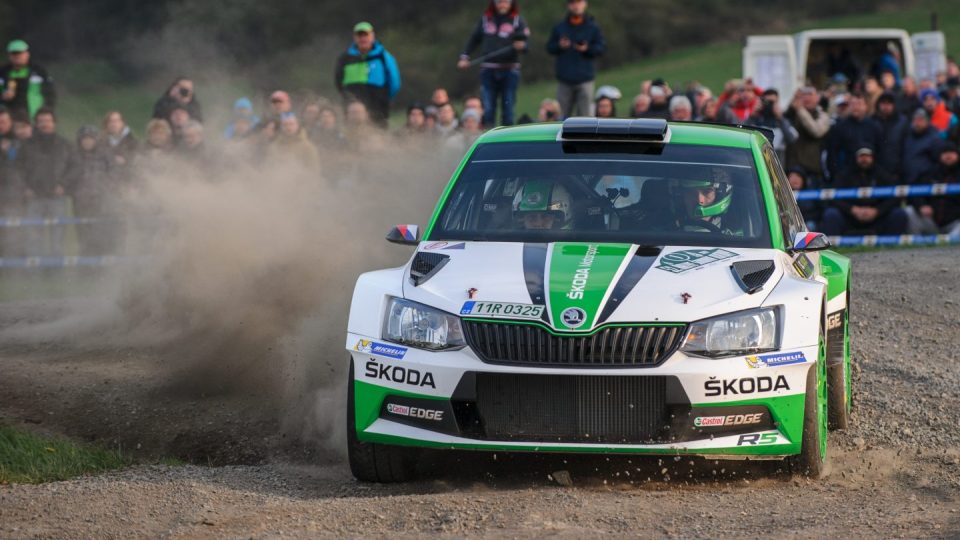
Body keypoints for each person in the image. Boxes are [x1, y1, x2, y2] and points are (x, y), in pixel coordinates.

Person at [458, 0, 530, 127]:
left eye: (505, 1)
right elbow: (474, 39)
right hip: (488, 69)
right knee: (488, 107)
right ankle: (487, 136)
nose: (502, 4)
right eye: (499, 1)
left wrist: (521, 46)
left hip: (510, 70)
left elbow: (526, 45)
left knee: (508, 108)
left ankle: (507, 139)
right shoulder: (486, 19)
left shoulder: (518, 20)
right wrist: (464, 57)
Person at [16, 107, 73, 256]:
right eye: (41, 121)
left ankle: (56, 271)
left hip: (57, 198)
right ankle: (36, 271)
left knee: (58, 237)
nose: (44, 124)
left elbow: (75, 167)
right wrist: (25, 188)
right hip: (34, 198)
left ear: (54, 123)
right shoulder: (26, 145)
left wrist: (64, 185)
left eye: (48, 120)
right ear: (36, 124)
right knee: (34, 237)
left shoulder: (65, 144)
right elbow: (18, 169)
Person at [820, 147, 907, 236]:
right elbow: (833, 197)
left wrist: (877, 210)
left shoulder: (882, 174)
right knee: (831, 214)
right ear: (856, 158)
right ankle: (833, 246)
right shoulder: (845, 175)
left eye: (867, 156)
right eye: (861, 156)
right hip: (851, 217)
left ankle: (892, 245)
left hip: (877, 217)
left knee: (898, 214)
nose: (864, 159)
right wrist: (852, 209)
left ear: (873, 157)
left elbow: (895, 196)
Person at [334, 21, 401, 129]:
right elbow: (338, 81)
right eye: (359, 35)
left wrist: (383, 98)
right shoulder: (345, 58)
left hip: (378, 108)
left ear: (372, 36)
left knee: (378, 137)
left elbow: (395, 83)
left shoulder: (383, 57)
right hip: (352, 108)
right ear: (355, 38)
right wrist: (349, 99)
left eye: (366, 35)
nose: (363, 38)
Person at [546, 0, 605, 118]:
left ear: (585, 4)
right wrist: (560, 46)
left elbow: (601, 48)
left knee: (586, 119)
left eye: (579, 2)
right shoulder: (560, 27)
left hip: (585, 80)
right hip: (564, 81)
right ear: (569, 5)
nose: (576, 6)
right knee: (561, 118)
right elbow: (549, 47)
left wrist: (587, 48)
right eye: (573, 3)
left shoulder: (593, 27)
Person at [71, 125, 114, 255]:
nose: (87, 141)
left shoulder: (105, 154)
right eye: (84, 139)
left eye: (90, 138)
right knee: (83, 233)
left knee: (100, 231)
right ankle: (86, 263)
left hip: (100, 199)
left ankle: (101, 260)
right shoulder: (74, 156)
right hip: (80, 201)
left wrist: (107, 187)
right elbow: (68, 175)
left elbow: (113, 172)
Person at [826, 93, 882, 179]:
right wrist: (837, 174)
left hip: (871, 175)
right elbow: (833, 153)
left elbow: (880, 150)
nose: (856, 107)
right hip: (847, 177)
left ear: (866, 106)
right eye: (853, 104)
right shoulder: (840, 127)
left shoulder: (874, 126)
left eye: (859, 104)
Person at [785, 86, 831, 184]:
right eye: (804, 95)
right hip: (791, 169)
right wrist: (793, 102)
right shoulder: (792, 113)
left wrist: (801, 110)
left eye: (810, 94)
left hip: (812, 171)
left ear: (817, 98)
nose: (807, 98)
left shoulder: (822, 115)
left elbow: (816, 131)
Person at [674, 170, 741, 235]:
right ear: (681, 196)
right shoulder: (664, 235)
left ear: (720, 196)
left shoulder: (739, 239)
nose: (700, 200)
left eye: (707, 191)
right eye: (691, 192)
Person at [0, 40, 55, 119]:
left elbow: (50, 94)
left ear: (27, 54)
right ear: (9, 55)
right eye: (14, 53)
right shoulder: (2, 73)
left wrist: (47, 112)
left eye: (20, 53)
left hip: (34, 117)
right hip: (7, 120)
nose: (17, 56)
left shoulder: (39, 72)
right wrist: (2, 97)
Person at [748, 89, 798, 163]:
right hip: (757, 161)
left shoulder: (783, 120)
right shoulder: (755, 119)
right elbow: (741, 133)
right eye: (767, 102)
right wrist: (751, 117)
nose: (769, 105)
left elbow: (792, 139)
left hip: (777, 164)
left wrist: (780, 118)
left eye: (773, 103)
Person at [902, 109, 942, 183]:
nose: (917, 123)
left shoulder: (934, 138)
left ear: (927, 122)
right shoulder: (907, 137)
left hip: (926, 182)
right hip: (908, 180)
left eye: (920, 120)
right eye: (915, 120)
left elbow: (938, 161)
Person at [873, 92, 908, 177]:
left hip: (898, 170)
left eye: (889, 103)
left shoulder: (903, 122)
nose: (886, 106)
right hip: (877, 170)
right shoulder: (872, 122)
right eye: (883, 103)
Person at [101, 111, 138, 181]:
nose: (113, 124)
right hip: (105, 183)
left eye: (116, 121)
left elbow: (138, 163)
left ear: (122, 123)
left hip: (126, 183)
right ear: (106, 125)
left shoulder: (133, 143)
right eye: (110, 121)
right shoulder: (101, 142)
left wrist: (126, 161)